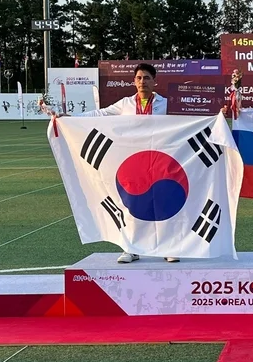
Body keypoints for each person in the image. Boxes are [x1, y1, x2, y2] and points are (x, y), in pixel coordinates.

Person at [51, 63, 179, 265]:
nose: (142, 82)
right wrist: (71, 118)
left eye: (147, 78)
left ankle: (168, 248)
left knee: (162, 204)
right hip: (133, 162)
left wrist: (218, 115)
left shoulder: (167, 104)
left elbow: (193, 118)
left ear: (155, 81)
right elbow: (100, 114)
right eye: (139, 78)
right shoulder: (126, 104)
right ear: (134, 81)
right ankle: (131, 248)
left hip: (159, 161)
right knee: (131, 205)